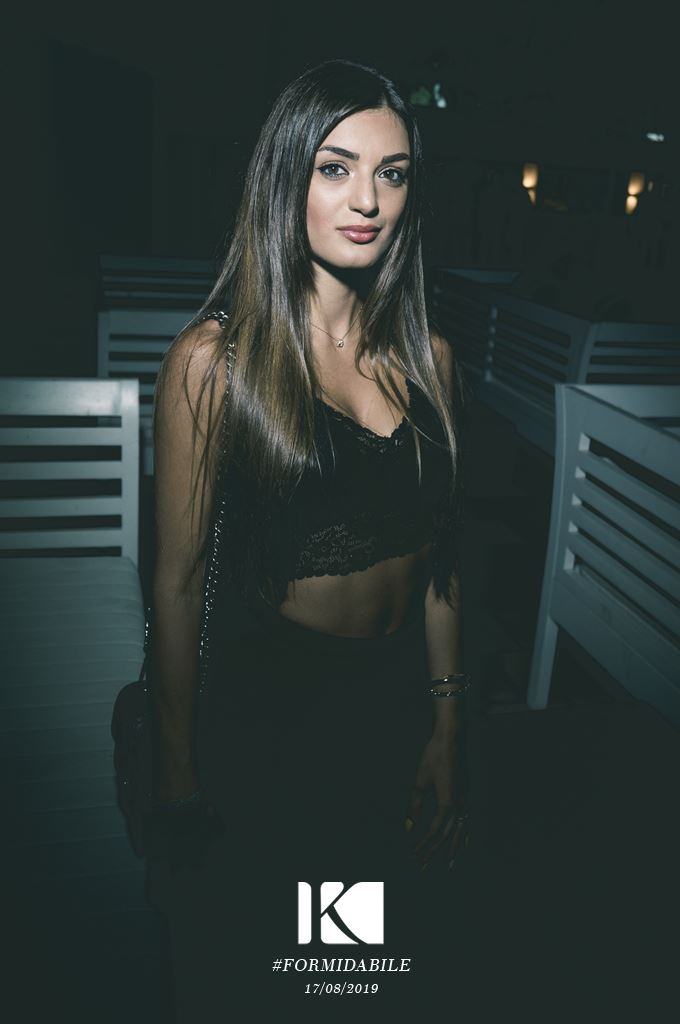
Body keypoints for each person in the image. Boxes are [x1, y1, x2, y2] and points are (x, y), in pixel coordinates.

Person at [144, 57, 471, 1021]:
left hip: (393, 704)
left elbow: (443, 566)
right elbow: (175, 586)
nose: (368, 200)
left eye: (392, 173)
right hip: (276, 711)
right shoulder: (215, 363)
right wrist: (177, 774)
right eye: (336, 168)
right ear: (286, 177)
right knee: (277, 970)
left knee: (367, 968)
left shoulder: (431, 359)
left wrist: (449, 725)